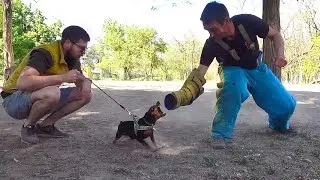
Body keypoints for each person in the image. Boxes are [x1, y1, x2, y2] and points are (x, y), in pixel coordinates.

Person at [166, 1, 296, 149]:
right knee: (233, 88)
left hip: (256, 67)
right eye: (208, 31)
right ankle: (220, 134)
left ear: (226, 21)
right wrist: (185, 93)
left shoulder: (247, 22)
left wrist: (280, 54)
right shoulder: (211, 44)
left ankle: (278, 125)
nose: (211, 35)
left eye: (213, 29)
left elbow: (275, 35)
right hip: (232, 70)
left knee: (287, 105)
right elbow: (200, 72)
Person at [1, 25, 92, 144]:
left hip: (37, 95)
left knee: (86, 95)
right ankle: (28, 127)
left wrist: (85, 81)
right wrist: (62, 78)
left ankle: (45, 127)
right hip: (13, 100)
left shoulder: (72, 59)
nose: (83, 53)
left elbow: (79, 79)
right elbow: (22, 83)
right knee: (53, 92)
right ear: (68, 42)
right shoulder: (45, 53)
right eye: (81, 48)